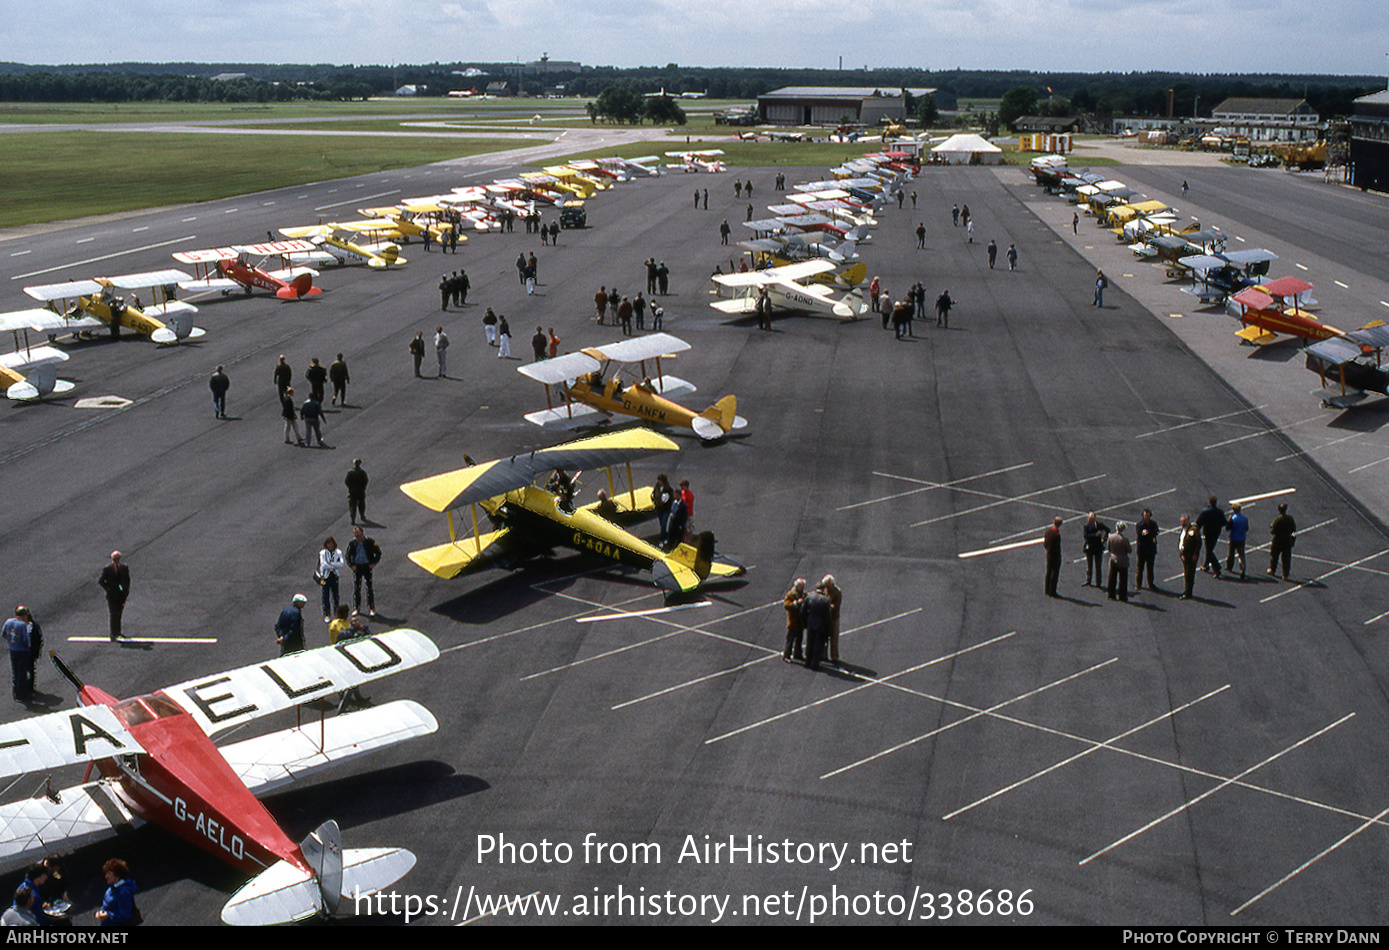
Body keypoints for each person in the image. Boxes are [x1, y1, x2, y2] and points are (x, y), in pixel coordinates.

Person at [346, 526, 381, 616]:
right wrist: (351, 565)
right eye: (355, 533)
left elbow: (378, 552)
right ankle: (356, 608)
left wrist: (374, 563)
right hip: (357, 568)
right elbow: (348, 555)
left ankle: (371, 608)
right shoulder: (352, 543)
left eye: (358, 532)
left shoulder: (369, 542)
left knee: (369, 588)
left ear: (362, 532)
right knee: (357, 588)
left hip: (367, 566)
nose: (356, 534)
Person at [98, 552, 130, 642]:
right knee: (113, 614)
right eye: (115, 559)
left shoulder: (124, 568)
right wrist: (108, 589)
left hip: (121, 595)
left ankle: (118, 632)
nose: (116, 561)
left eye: (117, 559)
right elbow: (101, 581)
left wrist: (126, 591)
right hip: (112, 596)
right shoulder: (107, 569)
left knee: (119, 613)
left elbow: (127, 580)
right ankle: (113, 633)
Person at [94, 860, 136, 927]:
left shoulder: (123, 892)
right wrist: (101, 913)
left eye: (109, 873)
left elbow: (125, 916)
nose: (106, 876)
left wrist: (107, 915)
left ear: (117, 874)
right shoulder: (112, 888)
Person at [800, 582, 832, 670]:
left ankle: (807, 662)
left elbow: (802, 611)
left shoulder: (809, 597)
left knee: (809, 643)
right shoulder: (825, 600)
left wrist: (806, 621)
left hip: (810, 623)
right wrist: (828, 626)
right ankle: (815, 663)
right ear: (823, 589)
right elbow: (827, 616)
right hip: (820, 625)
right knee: (818, 644)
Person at [3, 606, 32, 702]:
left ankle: (15, 693)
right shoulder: (22, 625)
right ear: (24, 615)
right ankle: (22, 695)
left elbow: (3, 634)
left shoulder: (8, 622)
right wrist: (28, 648)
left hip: (12, 650)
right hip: (21, 651)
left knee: (15, 672)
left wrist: (12, 643)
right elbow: (25, 640)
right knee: (22, 673)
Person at [1196, 496, 1226, 578]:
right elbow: (1224, 522)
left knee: (1209, 550)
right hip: (1216, 533)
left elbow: (1199, 523)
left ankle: (1217, 568)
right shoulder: (1220, 512)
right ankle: (1206, 565)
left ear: (1209, 502)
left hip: (1208, 532)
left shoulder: (1205, 512)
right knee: (1210, 548)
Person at [318, 537, 343, 623]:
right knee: (325, 596)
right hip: (325, 577)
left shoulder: (338, 552)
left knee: (335, 596)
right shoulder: (323, 553)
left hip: (334, 576)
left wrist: (330, 564)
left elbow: (341, 564)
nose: (330, 545)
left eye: (332, 543)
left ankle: (337, 614)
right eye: (329, 543)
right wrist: (334, 565)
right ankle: (327, 614)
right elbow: (323, 565)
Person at [1269, 503, 1296, 580]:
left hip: (1278, 540)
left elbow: (1272, 531)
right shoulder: (1290, 519)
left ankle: (1272, 570)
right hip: (1287, 540)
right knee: (1286, 558)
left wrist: (1271, 528)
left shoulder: (1277, 519)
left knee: (1274, 556)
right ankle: (1285, 574)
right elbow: (1293, 529)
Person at [1082, 512, 1110, 587]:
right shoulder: (1086, 526)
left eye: (1091, 519)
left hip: (1098, 548)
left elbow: (1108, 530)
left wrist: (1104, 539)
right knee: (1089, 565)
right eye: (1089, 519)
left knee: (1098, 566)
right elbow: (1086, 536)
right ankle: (1088, 580)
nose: (1090, 520)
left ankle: (1098, 582)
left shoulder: (1099, 525)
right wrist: (1095, 535)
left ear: (1094, 518)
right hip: (1090, 548)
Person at [1135, 509, 1160, 591]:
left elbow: (1156, 531)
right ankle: (1138, 584)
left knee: (1150, 568)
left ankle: (1150, 583)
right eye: (1145, 515)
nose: (1146, 517)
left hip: (1151, 549)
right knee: (1140, 568)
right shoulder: (1139, 524)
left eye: (1148, 515)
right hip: (1142, 550)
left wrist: (1148, 532)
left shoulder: (1153, 524)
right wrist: (1149, 533)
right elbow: (1140, 534)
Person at [783, 579, 806, 663]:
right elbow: (786, 605)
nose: (803, 588)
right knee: (790, 640)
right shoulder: (790, 595)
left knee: (799, 639)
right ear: (797, 586)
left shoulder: (804, 594)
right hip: (793, 621)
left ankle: (798, 654)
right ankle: (786, 655)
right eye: (801, 586)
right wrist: (796, 603)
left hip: (800, 621)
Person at [1107, 522, 1131, 602]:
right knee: (1123, 579)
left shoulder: (1111, 537)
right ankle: (1122, 596)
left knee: (1112, 577)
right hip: (1123, 560)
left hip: (1113, 559)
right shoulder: (1124, 539)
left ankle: (1111, 594)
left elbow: (1109, 548)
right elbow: (1129, 550)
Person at [822, 574, 843, 665]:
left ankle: (834, 656)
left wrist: (826, 605)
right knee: (824, 637)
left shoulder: (837, 592)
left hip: (834, 618)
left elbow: (835, 606)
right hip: (826, 617)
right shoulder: (825, 589)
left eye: (827, 586)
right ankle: (824, 655)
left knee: (834, 638)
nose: (826, 588)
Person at [1225, 501, 1249, 579]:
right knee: (1241, 555)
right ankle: (1243, 570)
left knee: (1231, 553)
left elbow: (1228, 528)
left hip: (1233, 538)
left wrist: (1229, 521)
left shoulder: (1232, 518)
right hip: (1242, 538)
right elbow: (1246, 528)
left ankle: (1229, 566)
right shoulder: (1245, 518)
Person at [652, 474, 674, 547]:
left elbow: (671, 499)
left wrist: (666, 502)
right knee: (662, 524)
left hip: (665, 509)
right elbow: (654, 495)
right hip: (659, 509)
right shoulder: (657, 487)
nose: (659, 482)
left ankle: (662, 539)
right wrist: (655, 502)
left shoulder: (668, 489)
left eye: (660, 480)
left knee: (664, 524)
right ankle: (665, 537)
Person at [1043, 516, 1063, 597]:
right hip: (1055, 556)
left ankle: (1047, 590)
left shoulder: (1048, 532)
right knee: (1054, 574)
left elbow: (1045, 543)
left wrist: (1048, 550)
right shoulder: (1057, 535)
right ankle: (1053, 591)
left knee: (1048, 572)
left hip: (1049, 555)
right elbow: (1057, 548)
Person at [345, 459, 369, 525]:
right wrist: (363, 488)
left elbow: (347, 481)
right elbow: (366, 481)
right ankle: (362, 515)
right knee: (361, 504)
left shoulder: (350, 472)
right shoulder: (362, 472)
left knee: (352, 505)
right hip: (360, 491)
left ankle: (353, 519)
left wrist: (350, 487)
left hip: (352, 491)